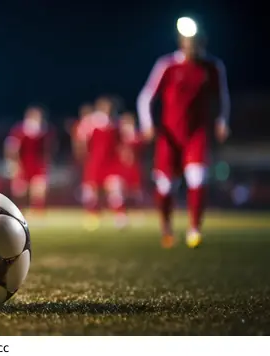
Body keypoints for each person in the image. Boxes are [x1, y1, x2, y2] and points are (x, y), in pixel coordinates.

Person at [137, 31, 229, 248]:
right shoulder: (167, 65)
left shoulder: (213, 67)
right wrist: (147, 124)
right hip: (169, 134)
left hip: (196, 133)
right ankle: (166, 227)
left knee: (198, 177)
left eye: (196, 45)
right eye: (188, 44)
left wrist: (223, 121)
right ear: (181, 45)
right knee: (166, 185)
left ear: (202, 45)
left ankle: (195, 229)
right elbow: (146, 96)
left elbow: (223, 96)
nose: (192, 49)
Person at [74, 96, 126, 230]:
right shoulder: (90, 122)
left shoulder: (115, 123)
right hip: (95, 161)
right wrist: (82, 153)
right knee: (92, 189)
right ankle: (93, 215)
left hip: (111, 161)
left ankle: (120, 216)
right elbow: (80, 138)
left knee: (115, 188)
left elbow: (120, 143)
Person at [5, 105, 56, 214]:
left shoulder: (45, 131)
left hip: (38, 165)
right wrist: (13, 164)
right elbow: (12, 148)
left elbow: (48, 149)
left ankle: (37, 211)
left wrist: (47, 163)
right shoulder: (19, 130)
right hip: (22, 164)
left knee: (39, 189)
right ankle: (19, 211)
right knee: (20, 191)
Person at [117, 112, 144, 219]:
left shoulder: (136, 135)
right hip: (121, 166)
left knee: (135, 190)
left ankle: (136, 210)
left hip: (134, 166)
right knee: (121, 189)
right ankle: (121, 211)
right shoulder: (119, 136)